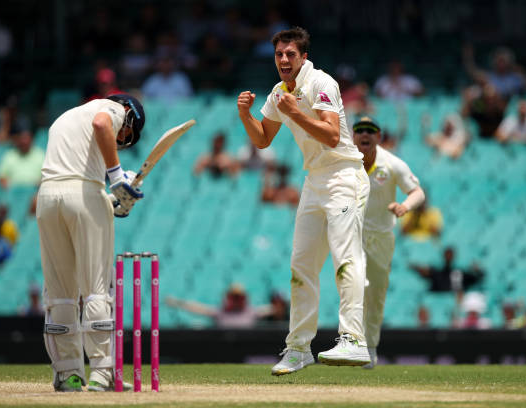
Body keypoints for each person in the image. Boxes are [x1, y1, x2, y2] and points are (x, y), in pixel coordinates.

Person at [237, 27, 371, 376]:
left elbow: (330, 136)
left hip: (344, 175)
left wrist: (295, 113)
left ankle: (354, 340)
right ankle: (298, 349)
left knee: (346, 257)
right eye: (279, 54)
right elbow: (263, 139)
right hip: (314, 181)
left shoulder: (321, 83)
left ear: (303, 57)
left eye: (290, 54)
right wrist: (245, 116)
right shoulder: (279, 92)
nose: (283, 59)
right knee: (301, 265)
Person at [37, 93, 145, 392]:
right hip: (84, 194)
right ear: (129, 114)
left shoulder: (65, 118)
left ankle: (67, 373)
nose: (122, 138)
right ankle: (101, 373)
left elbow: (73, 175)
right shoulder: (111, 108)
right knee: (96, 289)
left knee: (60, 294)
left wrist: (109, 201)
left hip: (47, 198)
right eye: (126, 134)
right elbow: (101, 124)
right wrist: (117, 179)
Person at [352, 116, 425, 369]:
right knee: (353, 286)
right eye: (359, 130)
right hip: (353, 234)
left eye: (370, 131)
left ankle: (370, 347)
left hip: (382, 237)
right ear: (353, 136)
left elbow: (418, 192)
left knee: (376, 293)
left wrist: (404, 206)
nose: (365, 134)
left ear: (378, 136)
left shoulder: (392, 164)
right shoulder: (344, 162)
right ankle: (353, 344)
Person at [165, 283, 275, 329]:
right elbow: (198, 308)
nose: (236, 300)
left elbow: (273, 309)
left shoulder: (251, 311)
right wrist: (178, 303)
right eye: (234, 297)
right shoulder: (220, 311)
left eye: (239, 297)